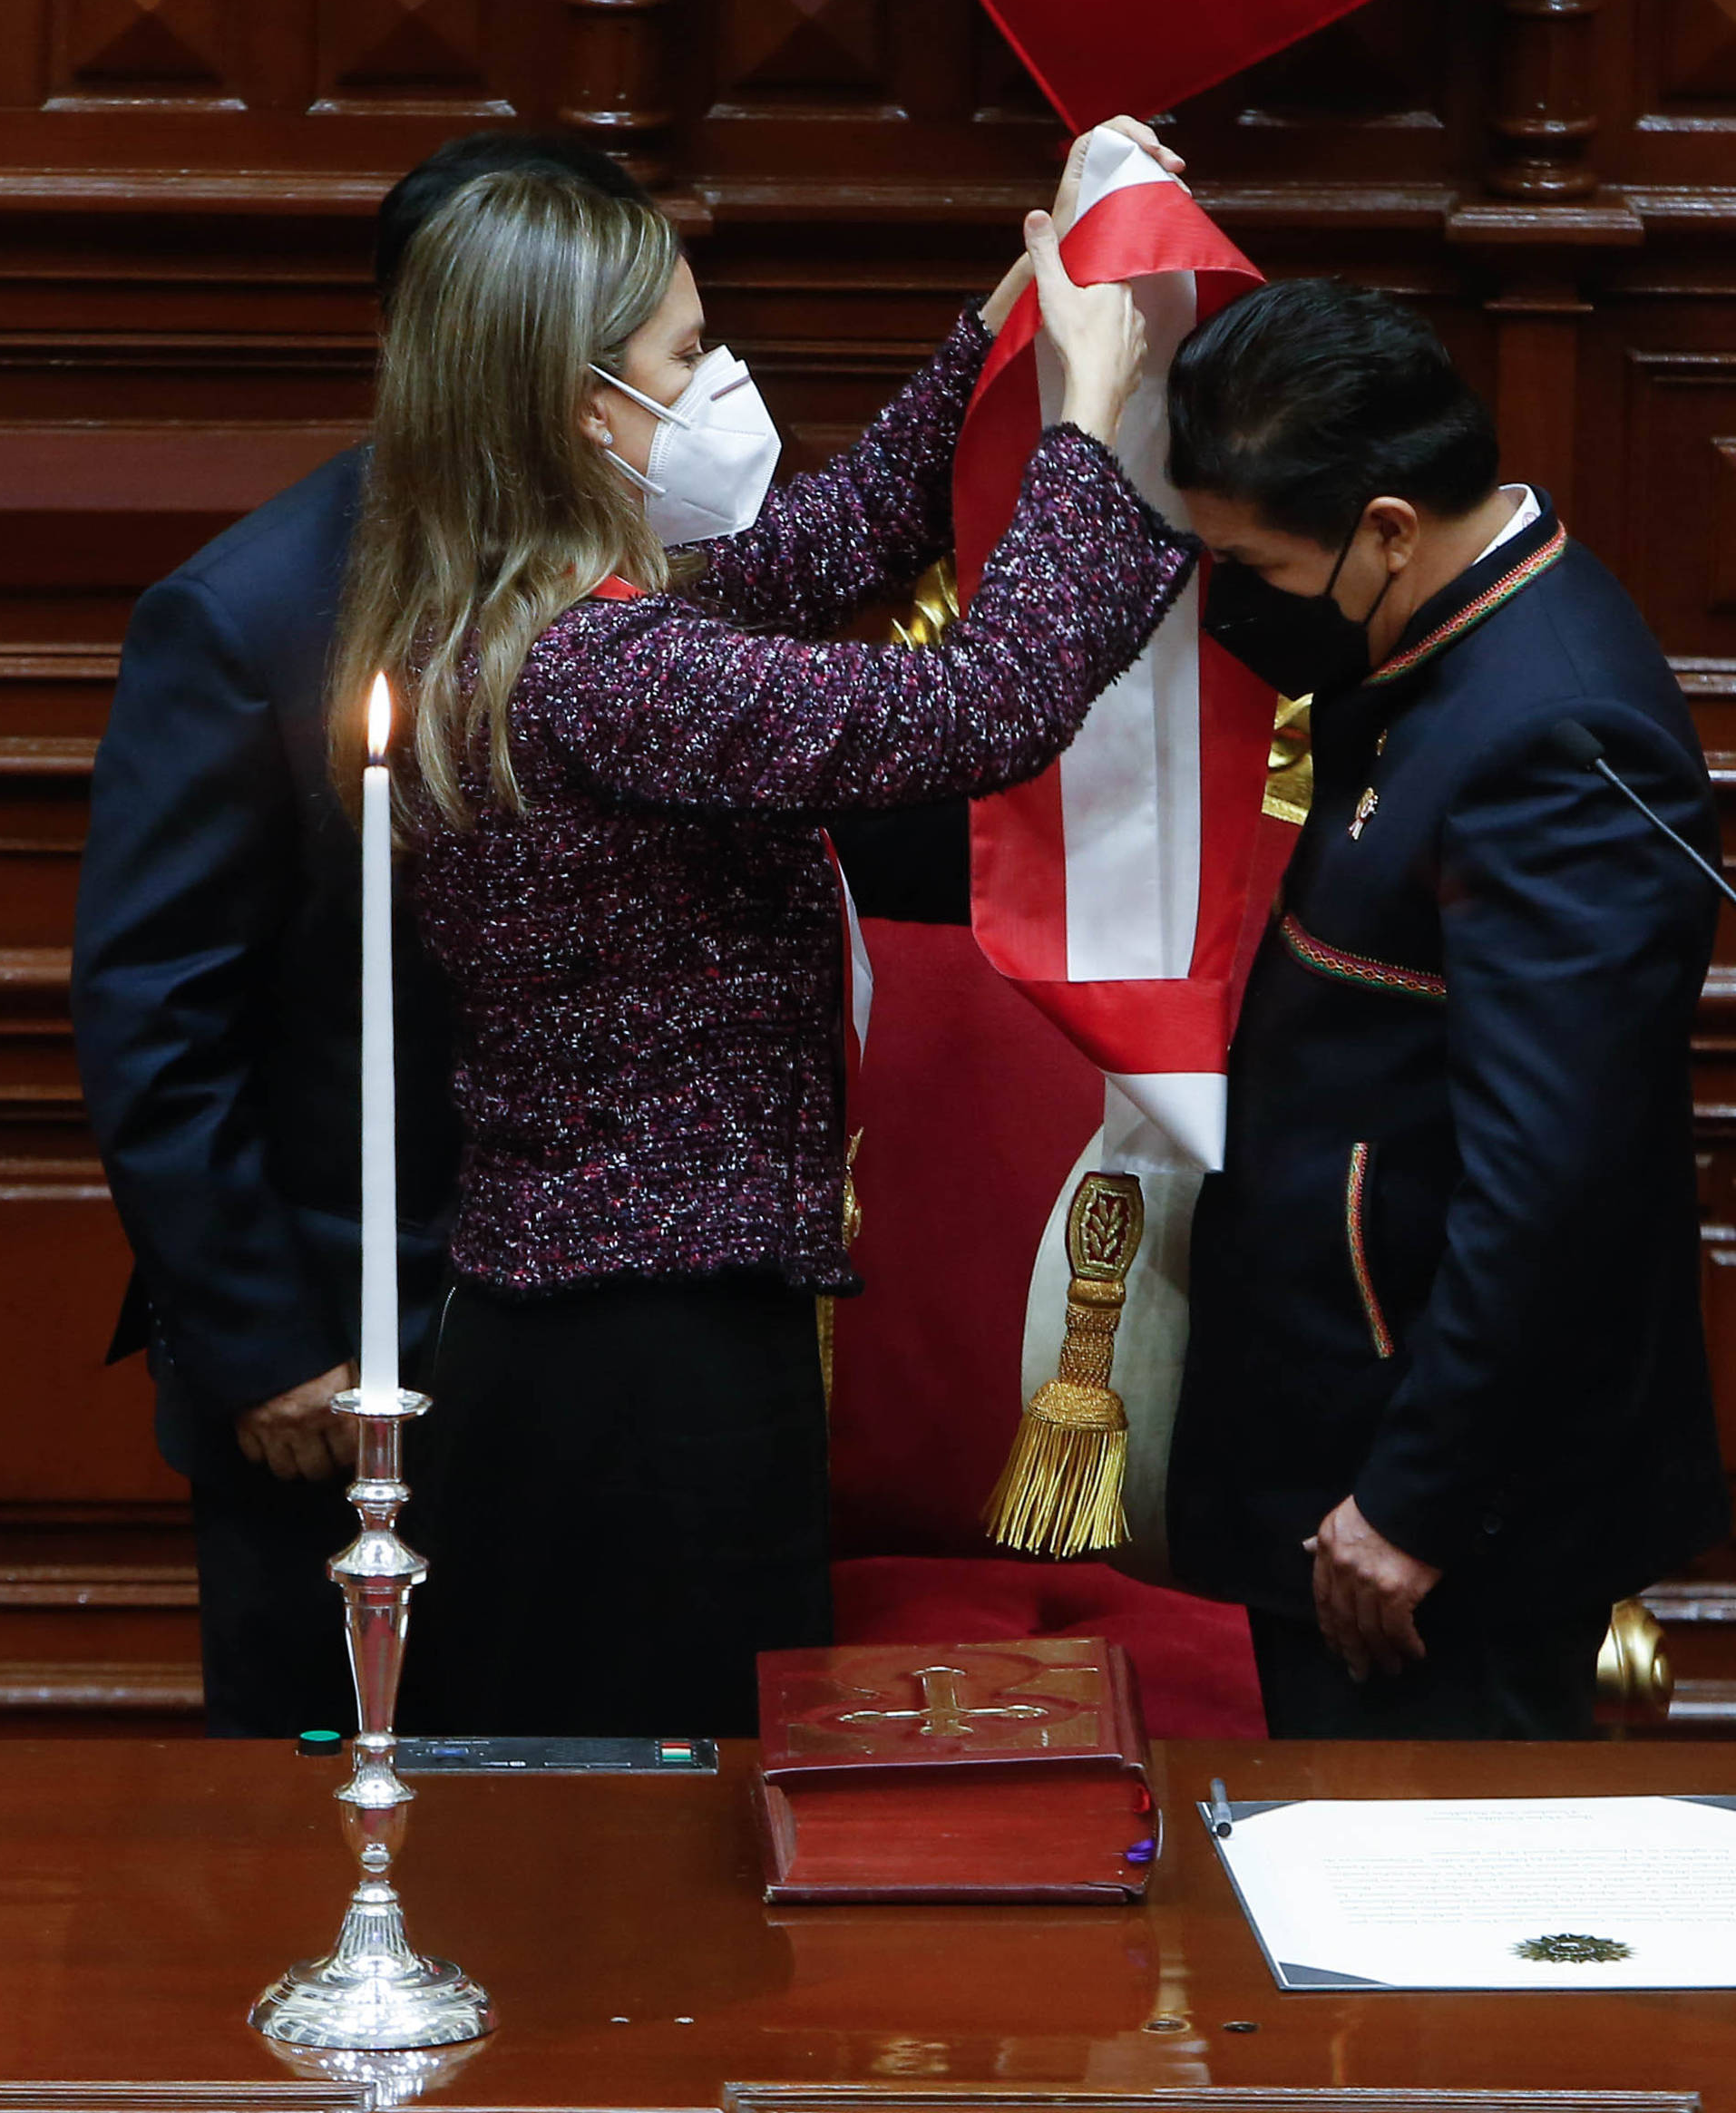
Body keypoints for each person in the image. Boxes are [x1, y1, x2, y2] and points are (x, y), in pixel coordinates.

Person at [346, 152, 1185, 1738]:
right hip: (642, 1373)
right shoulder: (605, 668)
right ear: (584, 407)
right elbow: (980, 707)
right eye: (682, 357)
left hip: (585, 1328)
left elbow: (838, 543)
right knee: (673, 1847)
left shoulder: (521, 614)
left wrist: (1009, 311)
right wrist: (1080, 420)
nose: (718, 383)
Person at [73, 131, 653, 1740]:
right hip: (335, 1367)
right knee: (323, 1813)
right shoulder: (248, 613)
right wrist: (263, 1343)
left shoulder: (658, 581)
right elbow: (155, 1011)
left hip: (591, 1352)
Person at [1161, 278, 1729, 1738]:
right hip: (1335, 1429)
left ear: (1390, 528)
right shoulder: (1439, 642)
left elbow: (1552, 1183)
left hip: (1428, 1511)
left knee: (1425, 1932)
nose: (1239, 605)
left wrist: (1413, 1501)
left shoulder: (1556, 735)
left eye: (1264, 567)